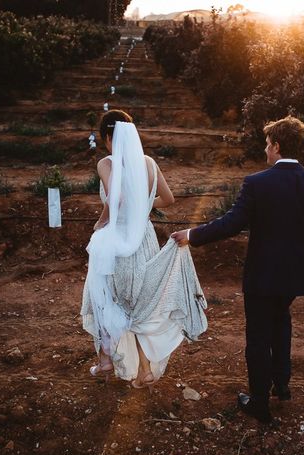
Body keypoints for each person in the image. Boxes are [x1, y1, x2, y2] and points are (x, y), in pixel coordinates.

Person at [172, 116, 304, 424]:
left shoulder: (257, 183)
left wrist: (191, 235)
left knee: (259, 337)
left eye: (266, 144)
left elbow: (232, 224)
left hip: (262, 276)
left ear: (276, 146)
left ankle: (259, 402)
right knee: (282, 323)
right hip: (294, 276)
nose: (265, 150)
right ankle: (283, 385)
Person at [80, 110, 208, 389]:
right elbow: (169, 198)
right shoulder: (148, 163)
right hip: (144, 239)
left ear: (109, 137)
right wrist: (143, 206)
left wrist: (101, 220)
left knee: (104, 295)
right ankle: (145, 369)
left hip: (117, 241)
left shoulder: (107, 164)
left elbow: (118, 197)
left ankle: (105, 358)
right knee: (138, 303)